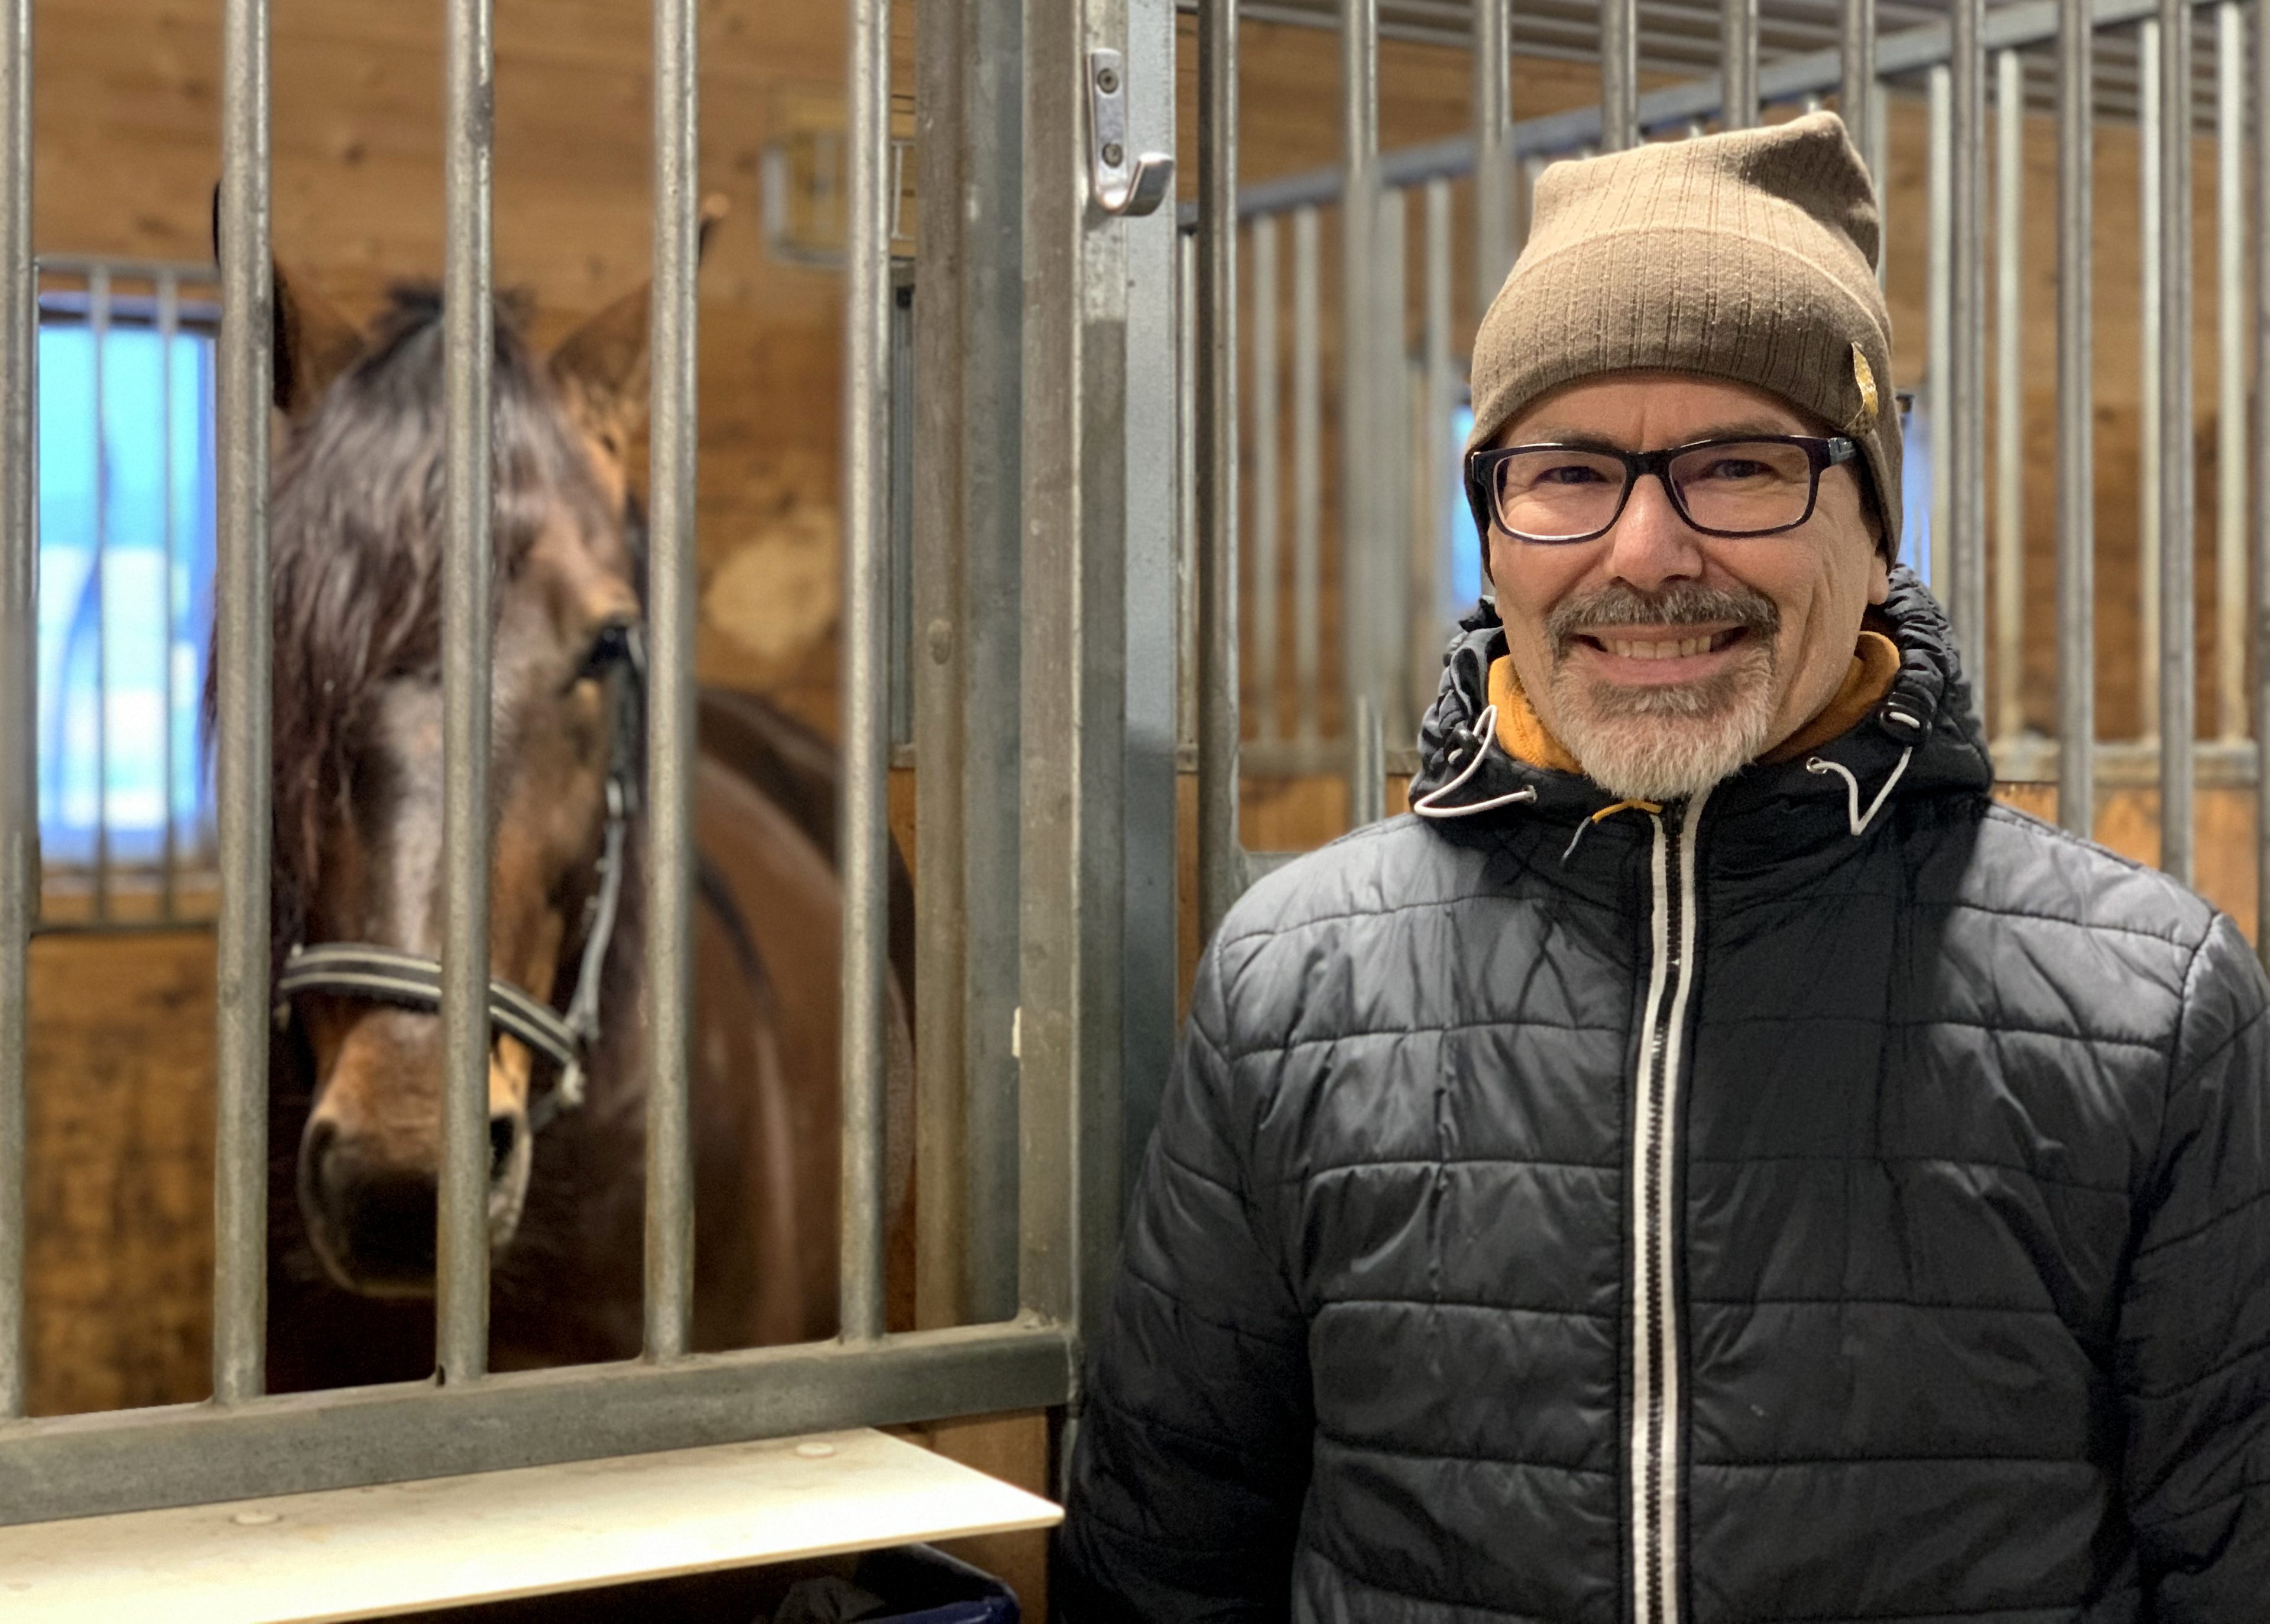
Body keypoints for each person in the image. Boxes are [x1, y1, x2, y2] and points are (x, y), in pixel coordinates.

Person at [1056, 112, 2270, 1623]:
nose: (1642, 550)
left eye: (1740, 464)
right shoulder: (1291, 982)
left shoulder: (2153, 1012)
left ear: (1875, 521)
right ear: (1495, 527)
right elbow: (1164, 1566)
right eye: (1567, 471)